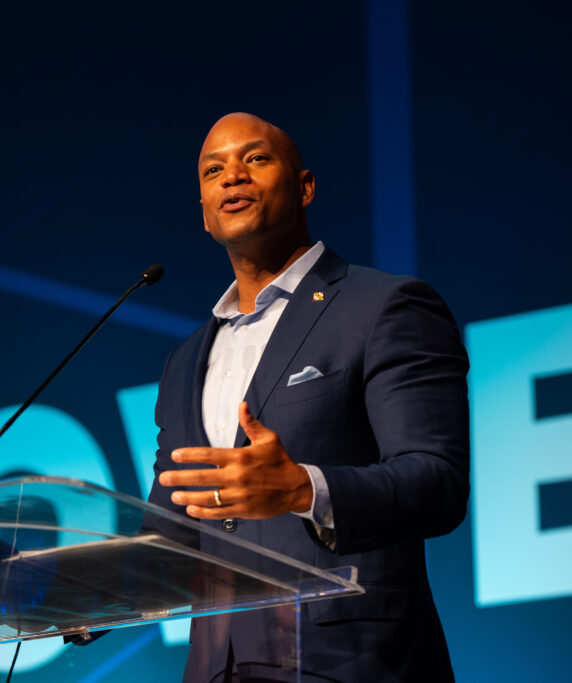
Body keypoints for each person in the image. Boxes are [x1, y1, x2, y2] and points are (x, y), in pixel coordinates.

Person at [146, 112, 469, 682]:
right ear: (203, 214)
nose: (232, 177)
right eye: (213, 169)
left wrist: (305, 488)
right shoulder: (184, 362)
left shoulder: (384, 307)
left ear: (305, 186)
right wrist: (41, 591)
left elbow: (437, 481)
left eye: (255, 159)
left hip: (353, 664)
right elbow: (171, 534)